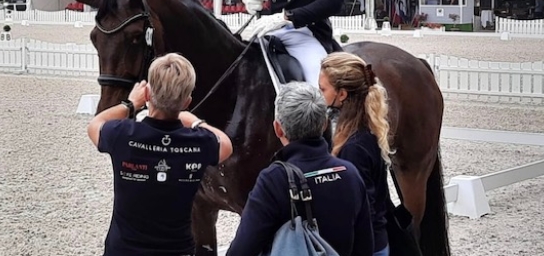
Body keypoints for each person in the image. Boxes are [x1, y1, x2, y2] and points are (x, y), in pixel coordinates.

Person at [88, 53, 233, 256]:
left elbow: (95, 125)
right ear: (187, 101)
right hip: (176, 250)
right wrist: (195, 121)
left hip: (124, 249)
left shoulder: (123, 134)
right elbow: (226, 144)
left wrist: (130, 104)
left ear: (147, 95)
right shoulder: (198, 142)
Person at [226, 82, 373, 256]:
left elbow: (242, 250)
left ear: (278, 128)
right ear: (324, 124)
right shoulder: (349, 173)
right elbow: (365, 247)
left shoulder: (273, 180)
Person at [319, 52, 394, 256]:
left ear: (342, 95)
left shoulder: (354, 147)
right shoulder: (360, 132)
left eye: (322, 89)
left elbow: (361, 210)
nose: (319, 96)